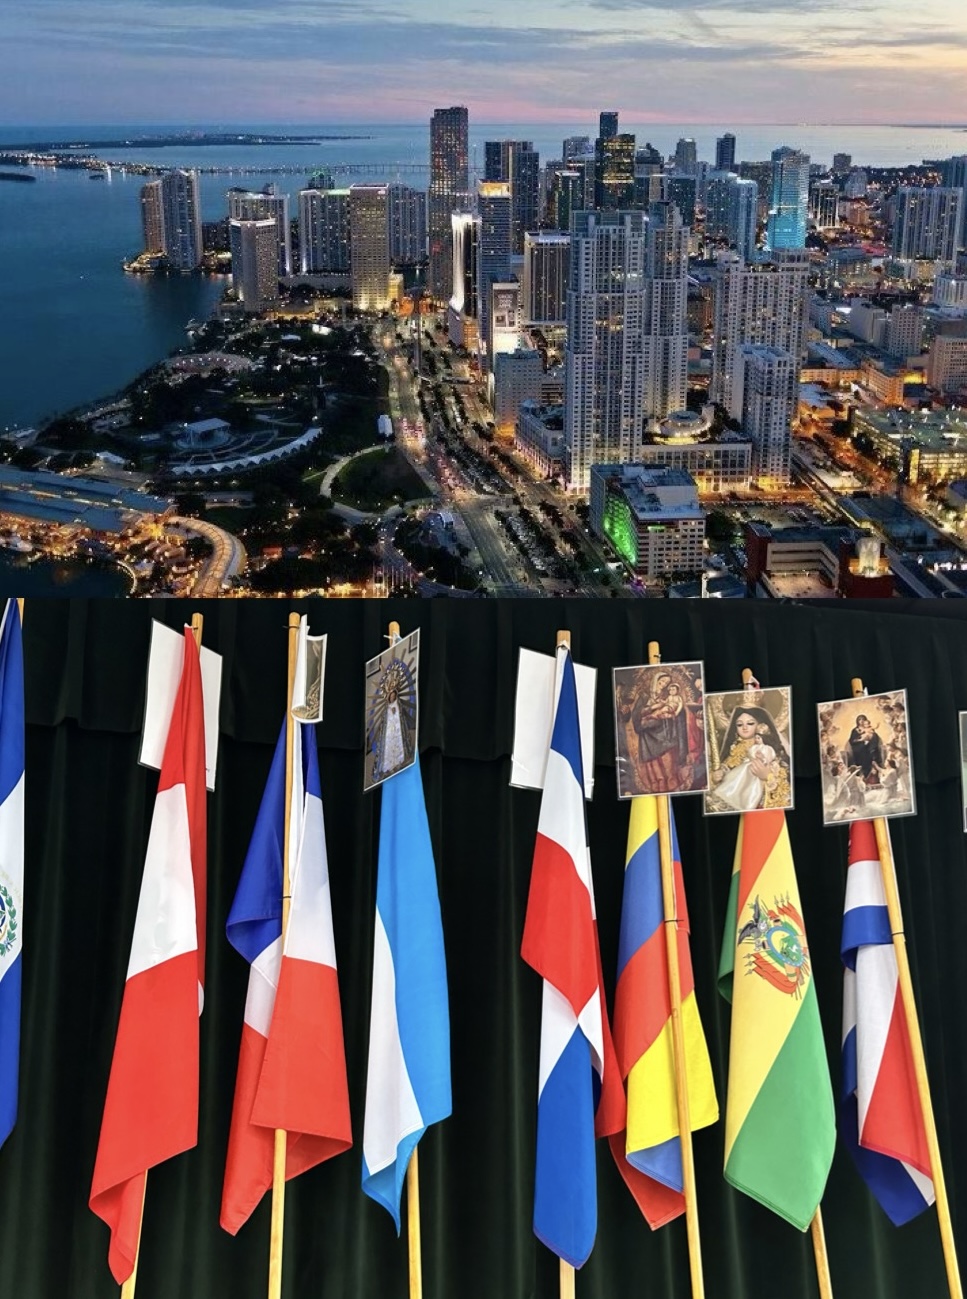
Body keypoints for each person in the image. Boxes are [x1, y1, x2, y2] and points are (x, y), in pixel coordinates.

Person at [709, 707, 789, 813]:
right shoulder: (734, 747)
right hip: (736, 791)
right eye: (739, 724)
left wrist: (768, 776)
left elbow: (783, 774)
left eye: (750, 723)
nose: (745, 728)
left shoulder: (769, 746)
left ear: (760, 725)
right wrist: (717, 775)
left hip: (758, 796)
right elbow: (728, 766)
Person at [631, 673, 689, 793]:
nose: (663, 686)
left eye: (666, 684)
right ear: (655, 681)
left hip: (665, 729)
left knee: (668, 753)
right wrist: (653, 708)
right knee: (653, 760)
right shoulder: (645, 696)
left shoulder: (666, 695)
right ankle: (658, 781)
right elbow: (637, 714)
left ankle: (671, 779)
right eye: (661, 682)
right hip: (648, 732)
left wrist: (672, 711)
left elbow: (676, 709)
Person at [843, 714, 885, 786]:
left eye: (863, 719)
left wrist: (869, 741)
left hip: (869, 749)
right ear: (857, 721)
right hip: (859, 750)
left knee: (873, 747)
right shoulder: (855, 730)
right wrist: (861, 741)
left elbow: (875, 738)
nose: (861, 721)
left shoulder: (870, 729)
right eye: (860, 720)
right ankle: (863, 777)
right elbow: (852, 741)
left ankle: (873, 777)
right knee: (863, 753)